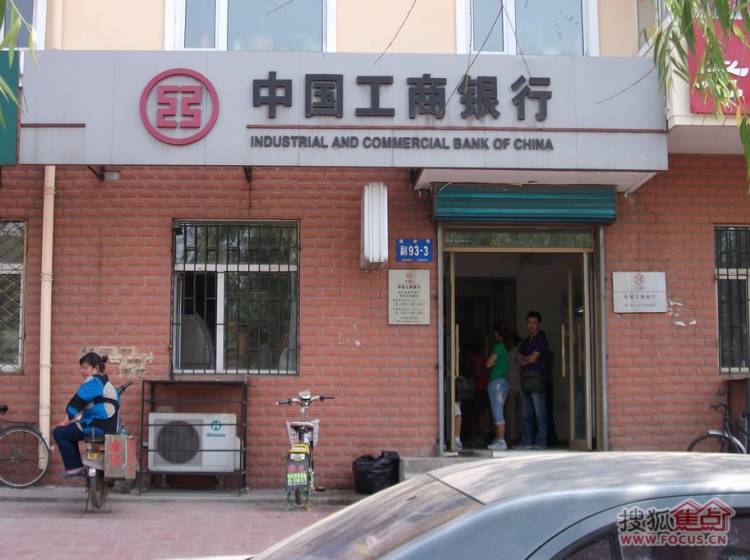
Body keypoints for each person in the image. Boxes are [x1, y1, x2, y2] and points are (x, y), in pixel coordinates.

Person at [52, 352, 119, 477]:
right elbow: (88, 406)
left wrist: (65, 421)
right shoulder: (104, 382)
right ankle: (78, 467)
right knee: (69, 431)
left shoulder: (95, 381)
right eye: (81, 368)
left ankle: (75, 467)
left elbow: (77, 401)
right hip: (106, 425)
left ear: (96, 368)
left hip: (97, 425)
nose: (81, 371)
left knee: (59, 432)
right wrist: (74, 419)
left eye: (85, 368)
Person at [516, 311, 549, 449]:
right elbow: (518, 359)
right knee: (526, 414)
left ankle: (541, 441)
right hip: (525, 379)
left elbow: (532, 359)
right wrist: (526, 359)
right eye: (529, 322)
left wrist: (525, 359)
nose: (531, 325)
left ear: (539, 324)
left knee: (539, 413)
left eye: (534, 323)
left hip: (536, 379)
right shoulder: (526, 341)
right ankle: (527, 441)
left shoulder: (541, 339)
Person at [485, 322, 512, 451]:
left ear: (497, 333)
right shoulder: (507, 347)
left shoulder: (499, 347)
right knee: (500, 410)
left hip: (496, 383)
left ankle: (501, 441)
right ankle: (498, 438)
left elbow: (488, 364)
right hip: (504, 382)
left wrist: (494, 362)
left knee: (497, 412)